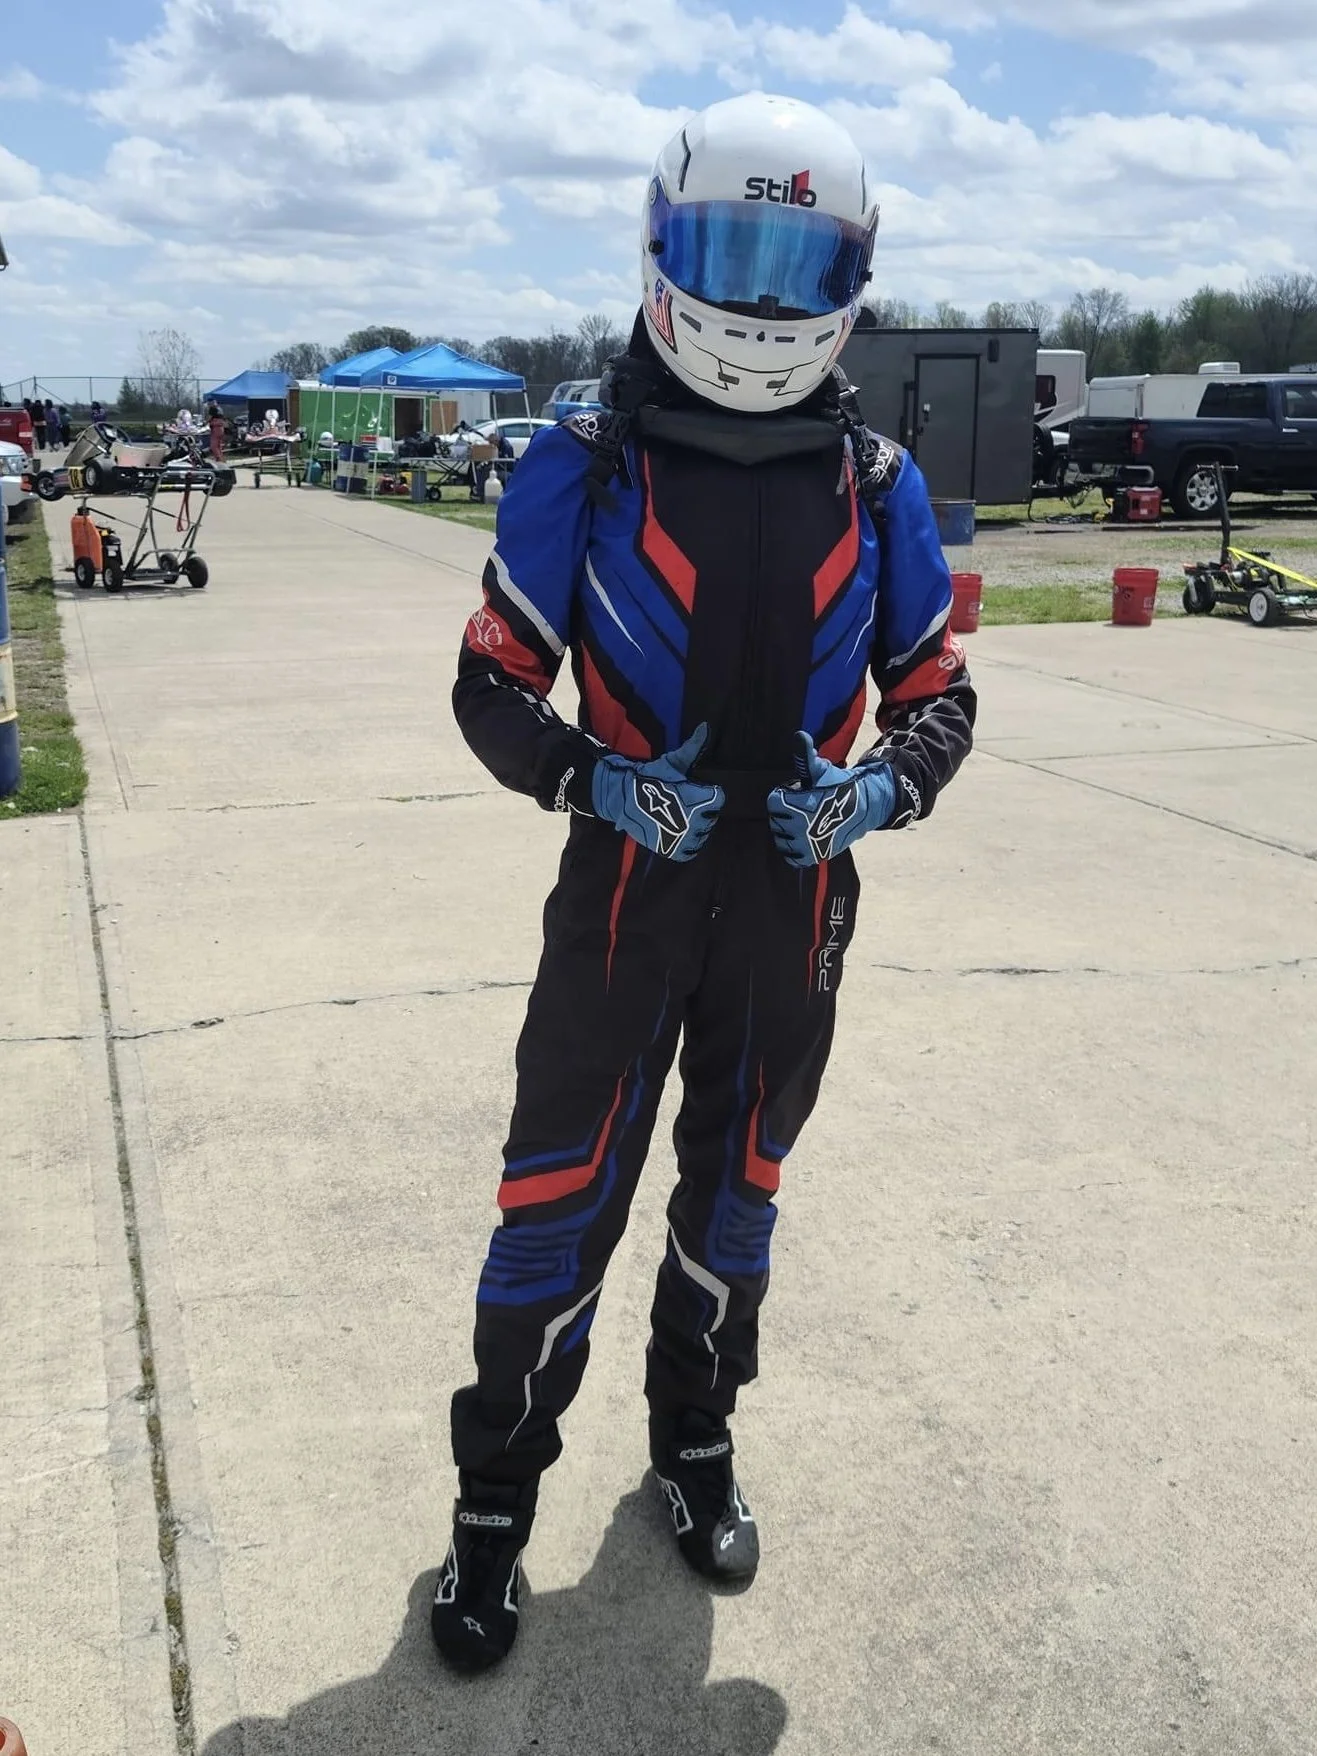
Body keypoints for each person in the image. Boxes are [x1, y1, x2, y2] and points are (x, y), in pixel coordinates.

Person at [433, 92, 976, 1672]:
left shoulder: (880, 486)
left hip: (793, 912)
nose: (756, 296)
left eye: (795, 260)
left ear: (855, 276)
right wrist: (589, 776)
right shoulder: (583, 465)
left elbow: (940, 690)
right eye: (729, 250)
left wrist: (878, 790)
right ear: (662, 251)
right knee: (553, 1210)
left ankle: (694, 1447)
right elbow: (485, 684)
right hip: (621, 899)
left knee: (738, 1202)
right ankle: (489, 1514)